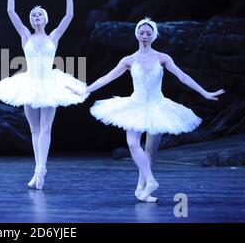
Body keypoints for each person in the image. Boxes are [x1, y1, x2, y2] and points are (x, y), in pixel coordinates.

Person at [73, 17, 225, 202]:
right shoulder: (128, 60)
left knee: (150, 152)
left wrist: (205, 92)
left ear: (154, 35)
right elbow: (107, 78)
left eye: (148, 33)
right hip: (135, 105)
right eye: (142, 32)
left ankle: (142, 189)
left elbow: (182, 77)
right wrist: (85, 90)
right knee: (132, 143)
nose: (144, 36)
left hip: (157, 106)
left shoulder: (162, 58)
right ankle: (151, 181)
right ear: (137, 34)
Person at [0, 0, 88, 190]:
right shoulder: (25, 35)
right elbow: (10, 12)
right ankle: (39, 168)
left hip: (50, 84)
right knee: (34, 129)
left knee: (45, 128)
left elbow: (69, 15)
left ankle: (40, 170)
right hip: (29, 83)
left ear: (45, 19)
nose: (36, 17)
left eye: (39, 15)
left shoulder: (53, 36)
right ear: (31, 20)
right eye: (33, 15)